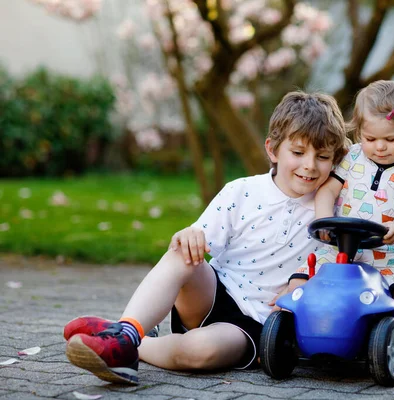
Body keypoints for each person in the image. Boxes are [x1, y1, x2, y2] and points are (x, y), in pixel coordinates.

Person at [62, 91, 349, 385]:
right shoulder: (244, 191)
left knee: (200, 353)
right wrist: (189, 236)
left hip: (256, 324)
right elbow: (200, 239)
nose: (310, 165)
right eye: (298, 153)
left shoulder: (334, 209)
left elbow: (372, 156)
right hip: (213, 292)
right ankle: (126, 333)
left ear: (335, 160)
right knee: (182, 252)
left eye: (323, 156)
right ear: (273, 150)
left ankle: (129, 344)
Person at [302, 80, 394, 383]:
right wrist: (324, 223)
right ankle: (295, 333)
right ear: (358, 131)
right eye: (370, 137)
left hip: (386, 251)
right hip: (339, 249)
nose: (379, 146)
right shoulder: (351, 157)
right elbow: (326, 192)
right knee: (304, 282)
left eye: (390, 138)